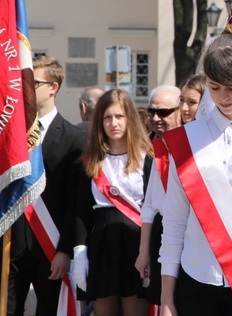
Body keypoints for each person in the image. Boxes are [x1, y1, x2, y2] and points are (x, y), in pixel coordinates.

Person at [159, 28, 232, 316]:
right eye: (215, 87)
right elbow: (175, 222)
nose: (224, 97)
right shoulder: (187, 138)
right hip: (196, 279)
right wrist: (167, 298)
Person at [0, 56, 86, 316]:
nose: (24, 87)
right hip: (10, 246)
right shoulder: (8, 134)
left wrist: (65, 250)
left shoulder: (75, 139)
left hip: (51, 247)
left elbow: (75, 201)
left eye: (33, 82)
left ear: (53, 87)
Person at [72, 89, 153, 316]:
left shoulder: (147, 159)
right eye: (107, 117)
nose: (113, 123)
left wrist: (147, 252)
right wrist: (80, 251)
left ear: (130, 119)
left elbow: (152, 208)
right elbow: (81, 210)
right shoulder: (90, 160)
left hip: (136, 244)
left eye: (119, 116)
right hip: (101, 245)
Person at [135, 86, 184, 306]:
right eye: (151, 112)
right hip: (163, 235)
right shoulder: (155, 149)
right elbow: (149, 207)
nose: (156, 118)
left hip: (192, 238)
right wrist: (143, 252)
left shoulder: (194, 145)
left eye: (164, 112)